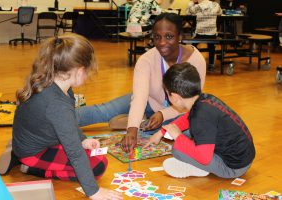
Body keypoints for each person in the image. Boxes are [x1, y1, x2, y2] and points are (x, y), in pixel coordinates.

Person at [0, 33, 122, 200]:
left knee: (91, 155)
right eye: (87, 73)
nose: (87, 78)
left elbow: (68, 125)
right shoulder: (57, 105)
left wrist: (82, 139)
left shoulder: (52, 81)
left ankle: (17, 152)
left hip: (35, 140)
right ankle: (30, 166)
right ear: (79, 71)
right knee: (98, 165)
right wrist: (94, 191)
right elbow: (75, 152)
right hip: (35, 152)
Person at [75, 13, 206, 153]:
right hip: (148, 101)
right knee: (104, 110)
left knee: (186, 132)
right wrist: (132, 131)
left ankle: (137, 122)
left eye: (169, 36)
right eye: (157, 37)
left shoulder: (196, 60)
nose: (162, 42)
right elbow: (139, 98)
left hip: (179, 111)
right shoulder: (146, 60)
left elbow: (191, 102)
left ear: (180, 36)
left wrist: (162, 114)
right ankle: (57, 118)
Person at [144, 62, 255, 179]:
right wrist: (161, 132)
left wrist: (177, 136)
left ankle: (199, 168)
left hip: (232, 168)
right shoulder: (203, 100)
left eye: (167, 94)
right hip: (244, 157)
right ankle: (200, 166)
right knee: (187, 138)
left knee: (177, 149)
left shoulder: (200, 118)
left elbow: (204, 158)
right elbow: (186, 119)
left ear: (175, 98)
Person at [186, 0, 222, 71]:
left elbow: (188, 12)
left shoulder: (198, 6)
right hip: (212, 33)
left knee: (193, 45)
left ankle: (194, 62)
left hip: (200, 33)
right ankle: (211, 65)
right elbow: (220, 12)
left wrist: (190, 3)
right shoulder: (215, 5)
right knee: (211, 46)